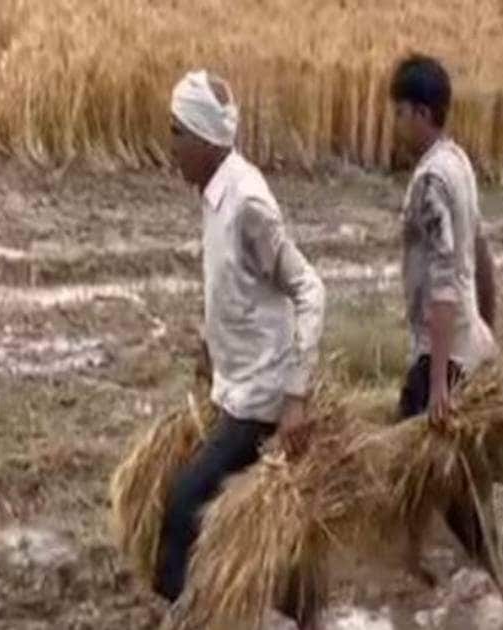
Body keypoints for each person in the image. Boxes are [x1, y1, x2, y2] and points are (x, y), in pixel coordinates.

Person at [155, 69, 326, 629]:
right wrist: (211, 353)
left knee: (184, 507)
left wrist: (296, 398)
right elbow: (237, 291)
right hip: (235, 386)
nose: (171, 145)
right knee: (240, 523)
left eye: (177, 133)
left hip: (261, 399)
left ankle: (197, 617)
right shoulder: (215, 194)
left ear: (205, 139)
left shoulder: (249, 202)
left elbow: (309, 289)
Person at [389, 54, 503, 627]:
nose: (395, 125)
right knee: (433, 469)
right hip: (467, 344)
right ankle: (415, 565)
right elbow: (482, 253)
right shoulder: (459, 162)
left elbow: (448, 275)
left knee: (432, 474)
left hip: (441, 351)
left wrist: (442, 379)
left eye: (399, 113)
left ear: (421, 112)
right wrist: (489, 336)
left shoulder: (430, 179)